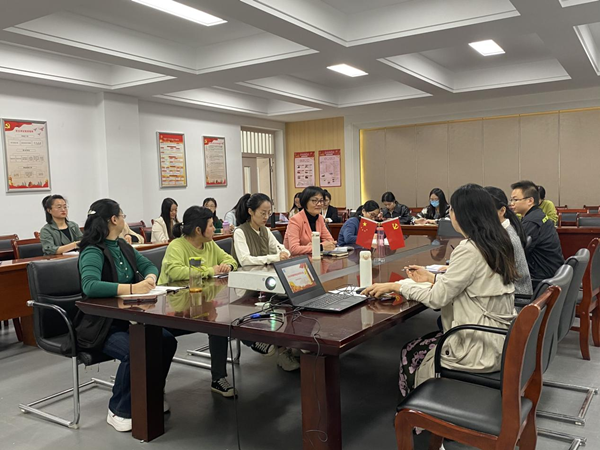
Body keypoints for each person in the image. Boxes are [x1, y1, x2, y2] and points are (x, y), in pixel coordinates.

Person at [363, 184, 517, 403]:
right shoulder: (496, 241)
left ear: (463, 215)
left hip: (477, 345)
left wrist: (397, 287)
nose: (450, 213)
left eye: (452, 209)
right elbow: (473, 284)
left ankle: (419, 411)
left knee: (410, 352)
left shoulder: (469, 249)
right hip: (500, 338)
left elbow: (437, 299)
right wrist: (432, 278)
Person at [77, 199, 177, 432]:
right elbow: (90, 285)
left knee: (166, 341)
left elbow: (149, 266)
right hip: (103, 325)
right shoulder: (92, 250)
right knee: (136, 350)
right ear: (113, 219)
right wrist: (132, 288)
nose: (124, 219)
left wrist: (149, 279)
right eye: (122, 215)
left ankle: (152, 393)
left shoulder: (122, 245)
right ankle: (118, 409)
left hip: (131, 318)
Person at [158, 206, 238, 396]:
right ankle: (155, 388)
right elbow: (176, 272)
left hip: (201, 302)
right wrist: (211, 270)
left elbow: (230, 259)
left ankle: (218, 379)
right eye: (210, 225)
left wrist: (228, 265)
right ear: (198, 229)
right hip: (175, 308)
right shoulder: (176, 246)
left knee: (218, 324)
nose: (214, 229)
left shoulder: (209, 244)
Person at [231, 193, 299, 370]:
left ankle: (291, 345)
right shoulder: (240, 232)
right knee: (277, 304)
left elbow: (281, 248)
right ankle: (281, 351)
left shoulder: (265, 231)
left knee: (289, 302)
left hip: (265, 282)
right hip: (245, 286)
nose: (266, 217)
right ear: (251, 211)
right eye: (262, 213)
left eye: (269, 213)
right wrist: (273, 257)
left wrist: (283, 253)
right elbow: (245, 260)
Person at [510, 180, 564, 284]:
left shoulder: (532, 222)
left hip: (541, 278)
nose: (512, 204)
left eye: (515, 200)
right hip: (551, 271)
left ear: (530, 200)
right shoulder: (538, 215)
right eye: (511, 200)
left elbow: (517, 252)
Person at [485, 186, 533, 295]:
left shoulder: (503, 238)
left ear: (502, 211)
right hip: (513, 293)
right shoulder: (508, 228)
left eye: (486, 211)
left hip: (515, 298)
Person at [284, 186, 336, 256]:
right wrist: (319, 247)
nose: (319, 204)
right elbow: (294, 249)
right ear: (305, 202)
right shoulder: (295, 220)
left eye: (321, 201)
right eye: (314, 200)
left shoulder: (320, 218)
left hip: (313, 257)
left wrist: (313, 246)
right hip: (297, 260)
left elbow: (330, 241)